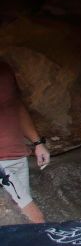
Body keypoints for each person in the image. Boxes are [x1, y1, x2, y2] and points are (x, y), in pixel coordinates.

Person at [0, 61, 50, 223]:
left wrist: (37, 143)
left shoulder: (5, 69)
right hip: (1, 166)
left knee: (22, 226)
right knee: (35, 220)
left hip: (17, 158)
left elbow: (15, 106)